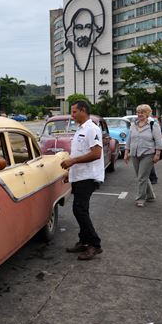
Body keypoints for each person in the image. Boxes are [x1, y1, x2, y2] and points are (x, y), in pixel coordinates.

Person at [60, 100, 104, 260]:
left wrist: (72, 162)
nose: (72, 115)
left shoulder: (92, 129)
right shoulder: (80, 129)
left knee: (80, 210)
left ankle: (94, 244)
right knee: (79, 209)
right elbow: (78, 152)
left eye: (74, 112)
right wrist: (70, 172)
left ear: (83, 110)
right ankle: (84, 241)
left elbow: (96, 153)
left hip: (88, 176)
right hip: (79, 176)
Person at [124, 104, 162, 207]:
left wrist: (157, 154)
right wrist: (126, 152)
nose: (140, 114)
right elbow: (129, 138)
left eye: (142, 112)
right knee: (142, 176)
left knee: (141, 177)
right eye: (138, 112)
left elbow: (159, 140)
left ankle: (141, 198)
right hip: (134, 153)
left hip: (148, 154)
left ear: (148, 113)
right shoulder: (134, 124)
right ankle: (150, 196)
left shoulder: (153, 124)